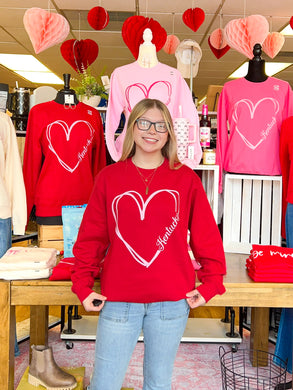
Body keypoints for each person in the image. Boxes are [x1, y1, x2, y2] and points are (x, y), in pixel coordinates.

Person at [71, 98, 226, 390]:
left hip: (171, 301)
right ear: (132, 128)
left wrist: (211, 283)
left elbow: (207, 235)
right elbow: (91, 237)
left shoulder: (186, 179)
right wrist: (82, 283)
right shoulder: (109, 177)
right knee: (105, 382)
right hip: (118, 300)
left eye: (160, 125)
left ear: (169, 133)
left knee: (158, 382)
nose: (151, 130)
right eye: (144, 122)